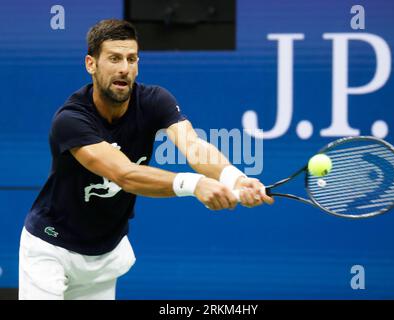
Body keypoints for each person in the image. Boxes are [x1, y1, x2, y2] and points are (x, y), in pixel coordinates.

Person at [18, 19, 273, 300]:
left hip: (104, 253)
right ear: (91, 64)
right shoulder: (70, 120)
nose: (124, 68)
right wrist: (196, 184)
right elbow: (124, 175)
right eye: (114, 58)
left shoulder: (155, 101)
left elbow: (194, 147)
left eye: (131, 59)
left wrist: (236, 178)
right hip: (51, 248)